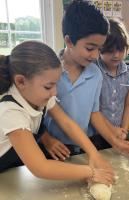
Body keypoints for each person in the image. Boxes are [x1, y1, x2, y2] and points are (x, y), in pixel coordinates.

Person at [0, 40, 115, 186]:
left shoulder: (38, 96)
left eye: (56, 84)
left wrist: (93, 153)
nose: (54, 92)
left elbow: (67, 123)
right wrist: (90, 172)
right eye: (48, 87)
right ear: (21, 81)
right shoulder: (11, 112)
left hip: (14, 172)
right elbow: (41, 167)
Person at [42, 0, 129, 161]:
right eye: (89, 48)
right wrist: (46, 140)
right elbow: (35, 115)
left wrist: (115, 142)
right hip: (52, 148)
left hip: (83, 146)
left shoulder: (95, 74)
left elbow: (94, 114)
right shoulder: (47, 71)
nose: (95, 55)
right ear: (69, 41)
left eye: (99, 49)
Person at [95, 18, 129, 140]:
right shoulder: (93, 71)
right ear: (100, 49)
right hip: (96, 134)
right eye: (110, 51)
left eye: (120, 50)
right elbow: (93, 109)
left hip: (120, 132)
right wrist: (112, 131)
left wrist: (124, 130)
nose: (116, 55)